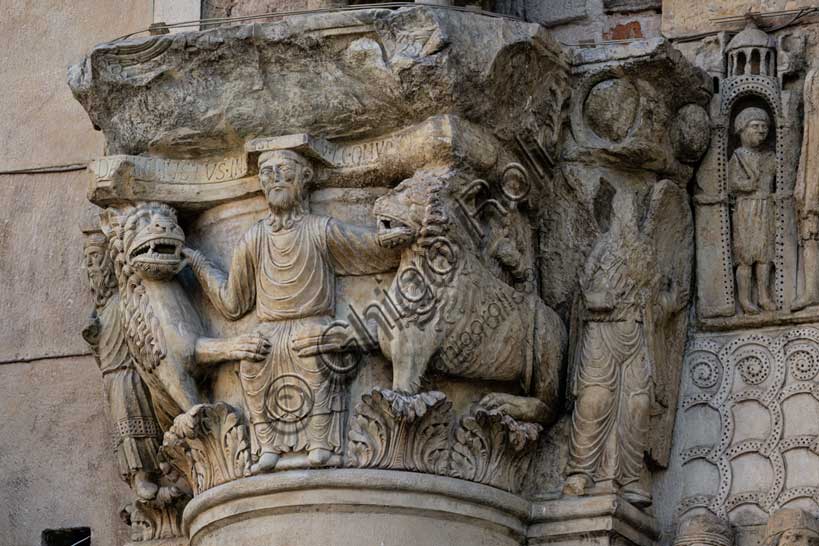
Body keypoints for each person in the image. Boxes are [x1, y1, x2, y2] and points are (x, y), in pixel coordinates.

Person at [184, 149, 408, 473]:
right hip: (270, 328)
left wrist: (397, 238)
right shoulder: (255, 236)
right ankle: (268, 445)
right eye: (267, 172)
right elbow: (232, 304)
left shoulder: (321, 229)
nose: (274, 178)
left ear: (305, 178)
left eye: (283, 169)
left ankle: (321, 441)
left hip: (314, 324)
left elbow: (368, 251)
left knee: (314, 355)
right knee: (252, 361)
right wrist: (202, 266)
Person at [82, 233, 162, 500]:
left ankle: (150, 472)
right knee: (124, 427)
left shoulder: (121, 299)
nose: (91, 265)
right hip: (113, 376)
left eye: (95, 258)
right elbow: (102, 355)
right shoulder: (100, 310)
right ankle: (139, 475)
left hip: (130, 373)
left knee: (138, 421)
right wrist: (94, 341)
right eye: (88, 260)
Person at [727, 106, 777, 314]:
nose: (761, 131)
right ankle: (745, 299)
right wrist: (746, 185)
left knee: (765, 255)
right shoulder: (738, 156)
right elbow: (731, 183)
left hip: (766, 207)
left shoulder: (769, 156)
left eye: (764, 127)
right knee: (745, 256)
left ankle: (764, 296)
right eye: (755, 126)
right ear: (742, 130)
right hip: (745, 209)